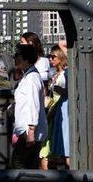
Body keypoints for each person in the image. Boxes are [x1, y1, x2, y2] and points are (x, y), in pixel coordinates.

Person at [8, 43, 46, 172]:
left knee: (18, 164)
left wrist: (31, 131)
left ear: (27, 59)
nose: (15, 58)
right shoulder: (28, 76)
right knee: (29, 166)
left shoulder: (32, 79)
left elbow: (33, 105)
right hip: (26, 130)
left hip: (28, 131)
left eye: (18, 56)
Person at [38, 43, 71, 169]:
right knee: (50, 144)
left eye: (53, 57)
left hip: (60, 111)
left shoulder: (66, 74)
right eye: (49, 57)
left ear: (61, 57)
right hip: (55, 110)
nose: (50, 59)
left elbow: (70, 91)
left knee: (58, 145)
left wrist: (60, 90)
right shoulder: (56, 74)